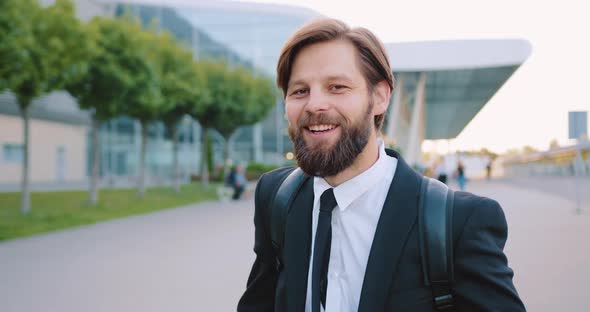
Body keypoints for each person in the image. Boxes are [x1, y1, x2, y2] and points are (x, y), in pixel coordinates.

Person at [238, 18, 524, 312]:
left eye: (337, 87)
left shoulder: (457, 222)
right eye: (300, 91)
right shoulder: (276, 198)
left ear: (380, 97)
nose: (314, 105)